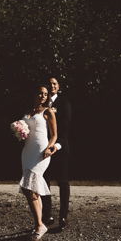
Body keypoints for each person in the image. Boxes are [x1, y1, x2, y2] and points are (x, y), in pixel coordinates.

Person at [19, 85, 58, 241]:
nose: (43, 96)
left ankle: (39, 226)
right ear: (34, 94)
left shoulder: (48, 111)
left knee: (29, 187)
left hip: (41, 152)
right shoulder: (28, 112)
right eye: (40, 93)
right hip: (27, 152)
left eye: (46, 94)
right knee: (31, 189)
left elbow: (54, 135)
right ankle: (40, 224)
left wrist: (50, 148)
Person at [46, 77, 72, 232]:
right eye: (49, 84)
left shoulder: (64, 105)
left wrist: (56, 145)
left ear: (58, 87)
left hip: (60, 148)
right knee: (44, 180)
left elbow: (65, 128)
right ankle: (47, 214)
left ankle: (63, 217)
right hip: (43, 150)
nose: (52, 86)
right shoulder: (41, 106)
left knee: (62, 182)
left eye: (54, 84)